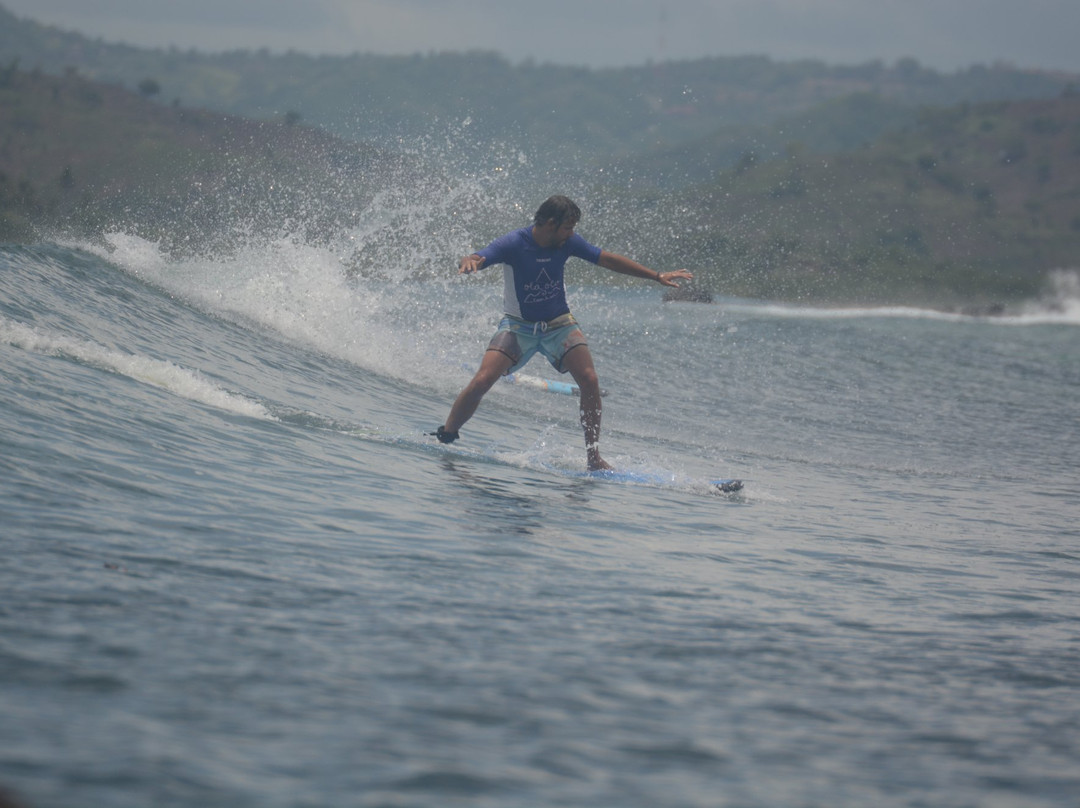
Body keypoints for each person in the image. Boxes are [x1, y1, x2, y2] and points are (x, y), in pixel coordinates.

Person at [432, 195, 692, 471]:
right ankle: (447, 433)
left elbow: (607, 260)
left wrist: (656, 276)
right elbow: (478, 256)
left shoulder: (568, 243)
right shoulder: (514, 243)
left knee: (590, 380)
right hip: (519, 326)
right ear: (549, 224)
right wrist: (469, 262)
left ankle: (594, 459)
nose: (572, 233)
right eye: (568, 227)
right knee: (483, 379)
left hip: (560, 325)